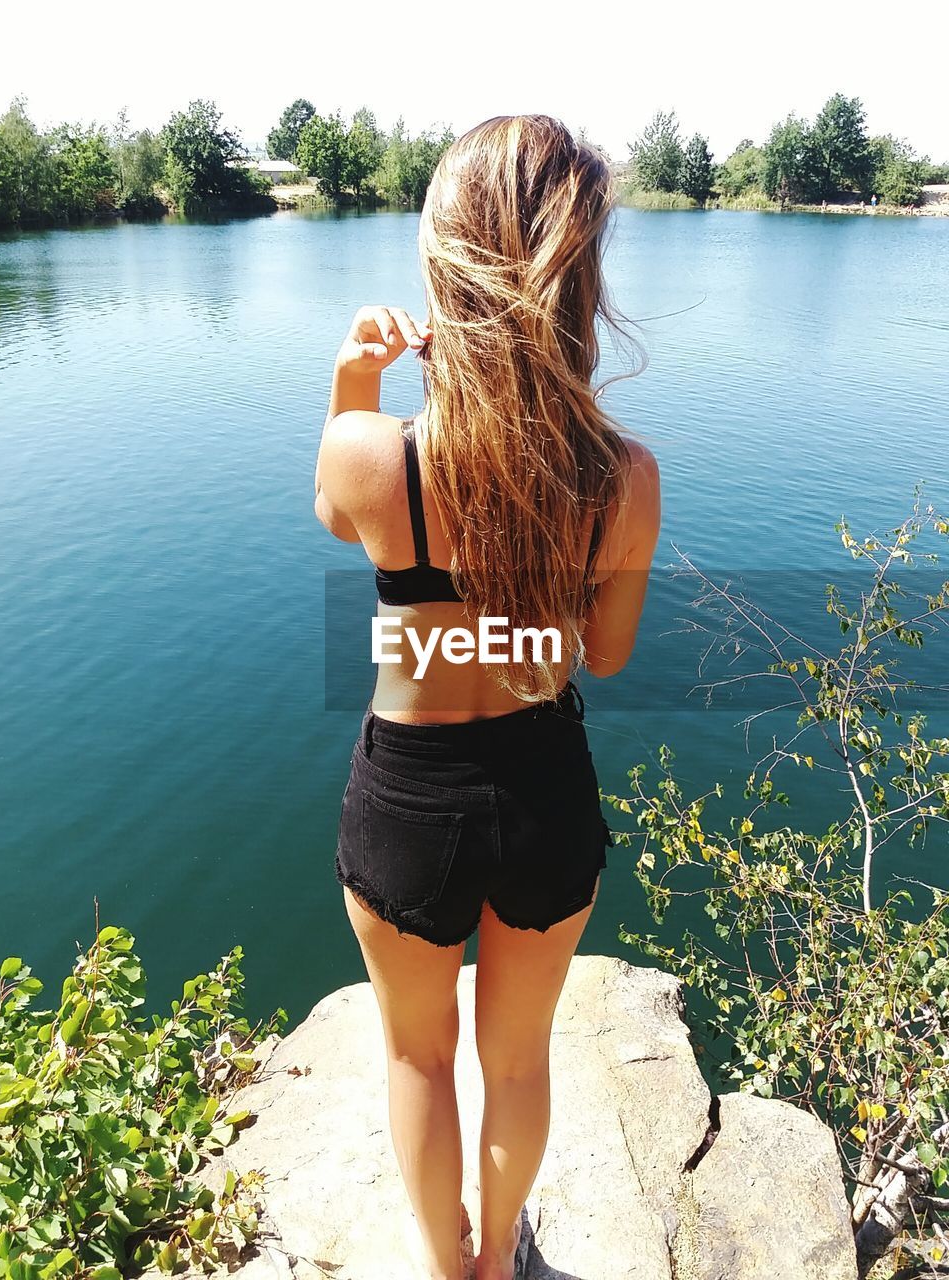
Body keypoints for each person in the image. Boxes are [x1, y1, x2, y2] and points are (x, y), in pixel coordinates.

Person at [314, 114, 661, 1280]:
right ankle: (504, 1256)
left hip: (407, 795)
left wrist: (355, 379)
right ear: (579, 274)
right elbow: (604, 656)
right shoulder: (624, 476)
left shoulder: (369, 456)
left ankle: (447, 1260)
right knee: (517, 1062)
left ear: (445, 269)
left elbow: (333, 512)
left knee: (417, 1056)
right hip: (545, 785)